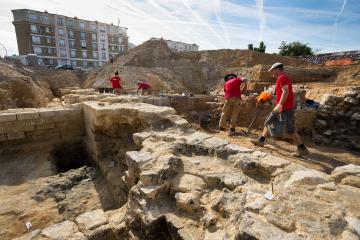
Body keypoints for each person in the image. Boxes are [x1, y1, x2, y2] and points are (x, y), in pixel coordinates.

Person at [251, 62, 310, 157]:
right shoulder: (281, 78)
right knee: (269, 121)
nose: (272, 73)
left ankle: (302, 149)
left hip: (284, 108)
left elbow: (285, 91)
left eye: (273, 71)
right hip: (281, 108)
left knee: (290, 129)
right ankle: (261, 140)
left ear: (277, 69)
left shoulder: (282, 78)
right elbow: (286, 92)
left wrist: (280, 104)